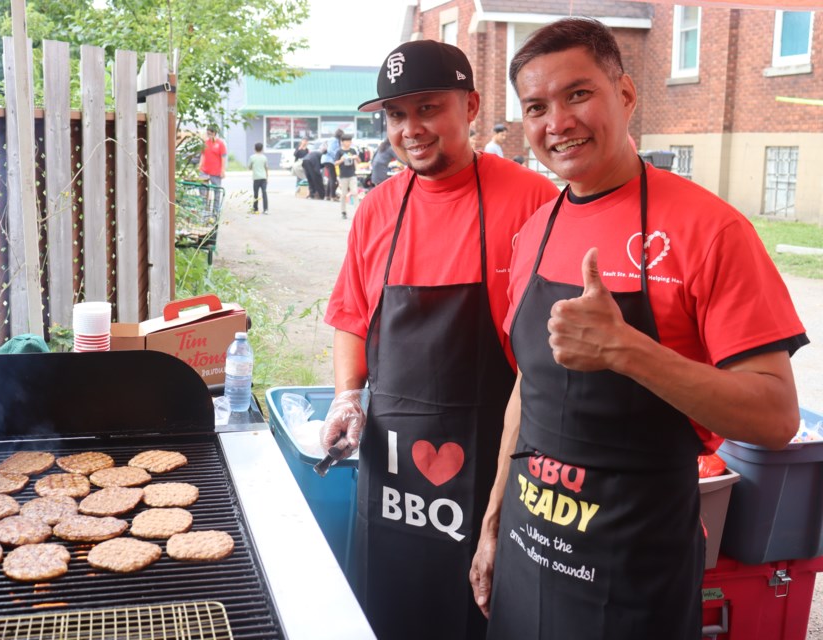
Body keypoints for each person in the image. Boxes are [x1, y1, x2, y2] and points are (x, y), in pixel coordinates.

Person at [469, 18, 807, 640]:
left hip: (631, 579)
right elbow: (528, 388)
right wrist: (491, 523)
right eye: (536, 107)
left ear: (625, 95)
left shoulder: (713, 231)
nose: (556, 123)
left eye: (578, 95)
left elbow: (776, 417)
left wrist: (628, 350)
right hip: (528, 549)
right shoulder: (535, 232)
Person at [321, 39, 558, 640]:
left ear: (470, 106)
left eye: (428, 108)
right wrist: (347, 397)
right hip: (393, 469)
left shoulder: (533, 202)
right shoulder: (377, 208)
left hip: (494, 461)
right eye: (397, 115)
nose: (411, 129)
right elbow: (353, 315)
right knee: (388, 611)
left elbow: (547, 361)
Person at [199, 124, 227, 214]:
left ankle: (215, 212)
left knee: (217, 192)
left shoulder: (220, 144)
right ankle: (204, 211)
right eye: (207, 134)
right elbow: (203, 155)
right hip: (205, 171)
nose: (209, 136)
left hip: (216, 172)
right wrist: (200, 166)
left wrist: (222, 170)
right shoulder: (205, 143)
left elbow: (223, 157)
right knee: (203, 191)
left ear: (214, 133)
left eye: (210, 134)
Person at [334, 134, 360, 219]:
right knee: (343, 194)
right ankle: (343, 212)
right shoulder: (339, 152)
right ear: (342, 142)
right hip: (343, 176)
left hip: (352, 174)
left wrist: (356, 158)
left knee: (355, 192)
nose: (349, 143)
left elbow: (359, 161)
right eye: (347, 141)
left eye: (350, 141)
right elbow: (335, 163)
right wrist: (341, 160)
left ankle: (357, 212)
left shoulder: (353, 150)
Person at [322, 129, 343, 200]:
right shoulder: (334, 140)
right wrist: (336, 157)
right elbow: (330, 150)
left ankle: (327, 195)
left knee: (330, 178)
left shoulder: (333, 139)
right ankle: (332, 196)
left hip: (327, 160)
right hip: (329, 160)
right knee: (333, 178)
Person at [248, 142, 269, 214]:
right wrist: (267, 178)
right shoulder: (264, 157)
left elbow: (249, 167)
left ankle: (255, 209)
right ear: (262, 149)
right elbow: (266, 168)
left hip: (256, 178)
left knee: (256, 194)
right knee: (264, 193)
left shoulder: (252, 157)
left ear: (255, 149)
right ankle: (265, 209)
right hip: (263, 178)